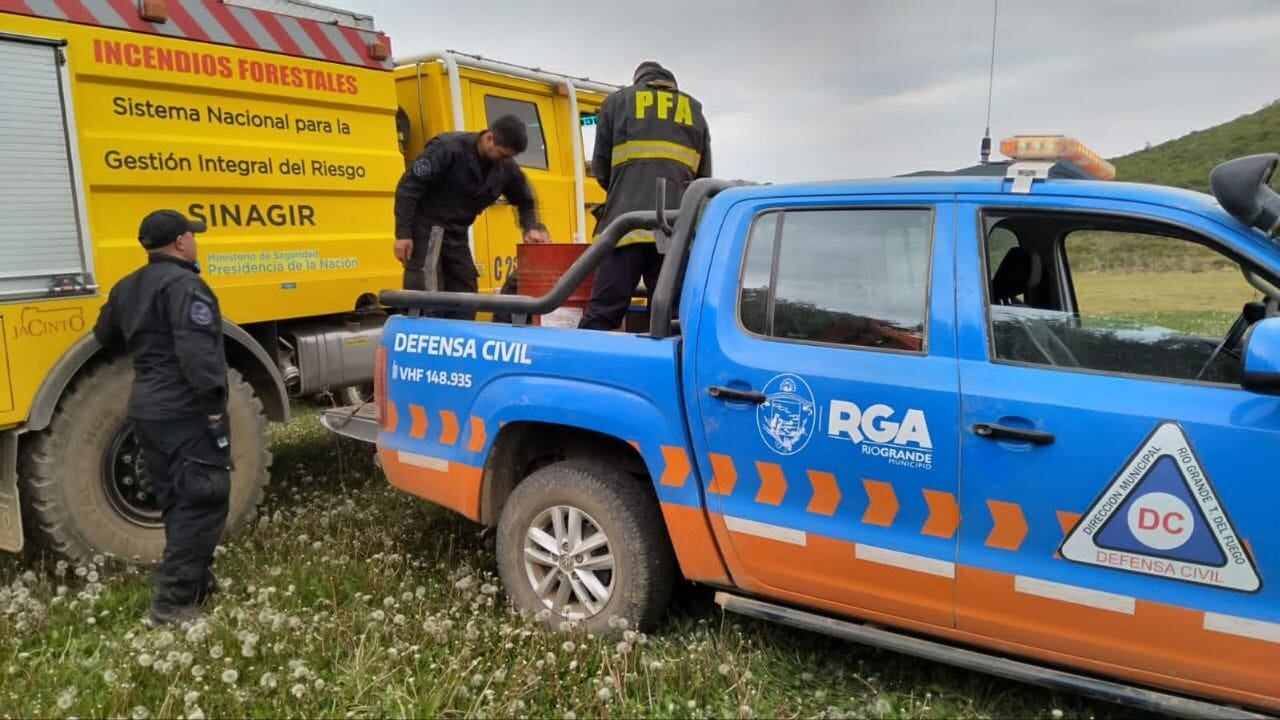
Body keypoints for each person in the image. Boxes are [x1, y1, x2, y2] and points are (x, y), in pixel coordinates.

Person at [92, 209, 231, 627]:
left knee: (176, 498)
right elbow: (197, 353)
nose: (196, 242)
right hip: (184, 410)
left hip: (148, 409)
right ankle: (171, 606)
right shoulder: (186, 287)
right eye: (193, 235)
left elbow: (104, 336)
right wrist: (212, 405)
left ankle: (197, 583)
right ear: (180, 242)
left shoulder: (127, 286)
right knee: (203, 500)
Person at [579, 61, 712, 331]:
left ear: (638, 80)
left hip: (624, 226)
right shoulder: (695, 110)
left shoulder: (617, 102)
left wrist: (626, 192)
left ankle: (581, 369)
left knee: (603, 311)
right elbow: (703, 178)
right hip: (676, 231)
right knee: (670, 317)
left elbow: (601, 169)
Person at [393, 114, 551, 319]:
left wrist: (530, 227)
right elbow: (408, 188)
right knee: (426, 296)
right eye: (503, 155)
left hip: (457, 234)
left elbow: (526, 200)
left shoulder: (506, 167)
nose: (506, 161)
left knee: (466, 297)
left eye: (510, 157)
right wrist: (403, 233)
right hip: (426, 230)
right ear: (489, 138)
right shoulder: (448, 148)